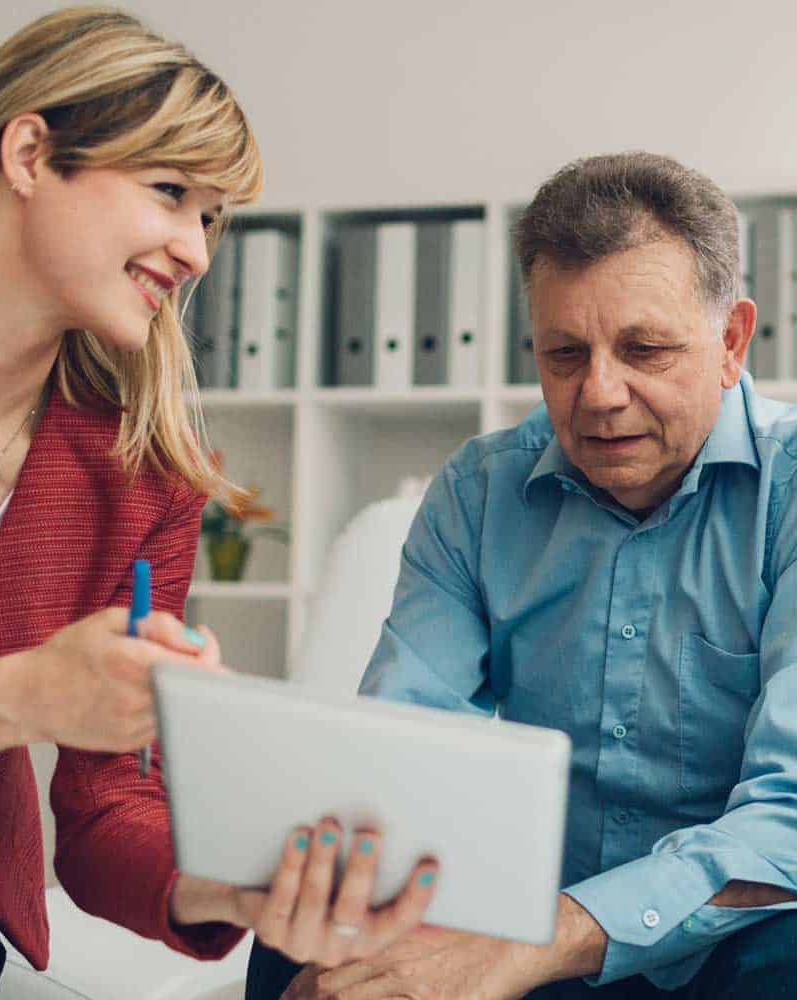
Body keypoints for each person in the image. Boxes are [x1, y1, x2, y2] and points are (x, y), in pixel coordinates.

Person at [0, 7, 439, 998]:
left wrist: (232, 884)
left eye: (213, 218)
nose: (196, 251)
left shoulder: (145, 474)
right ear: (27, 153)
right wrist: (18, 693)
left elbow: (102, 810)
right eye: (170, 192)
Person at [246, 152, 797, 999]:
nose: (599, 393)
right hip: (519, 921)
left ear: (730, 342)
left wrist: (549, 939)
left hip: (723, 938)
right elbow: (403, 747)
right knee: (299, 944)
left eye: (644, 349)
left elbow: (788, 817)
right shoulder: (478, 490)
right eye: (564, 353)